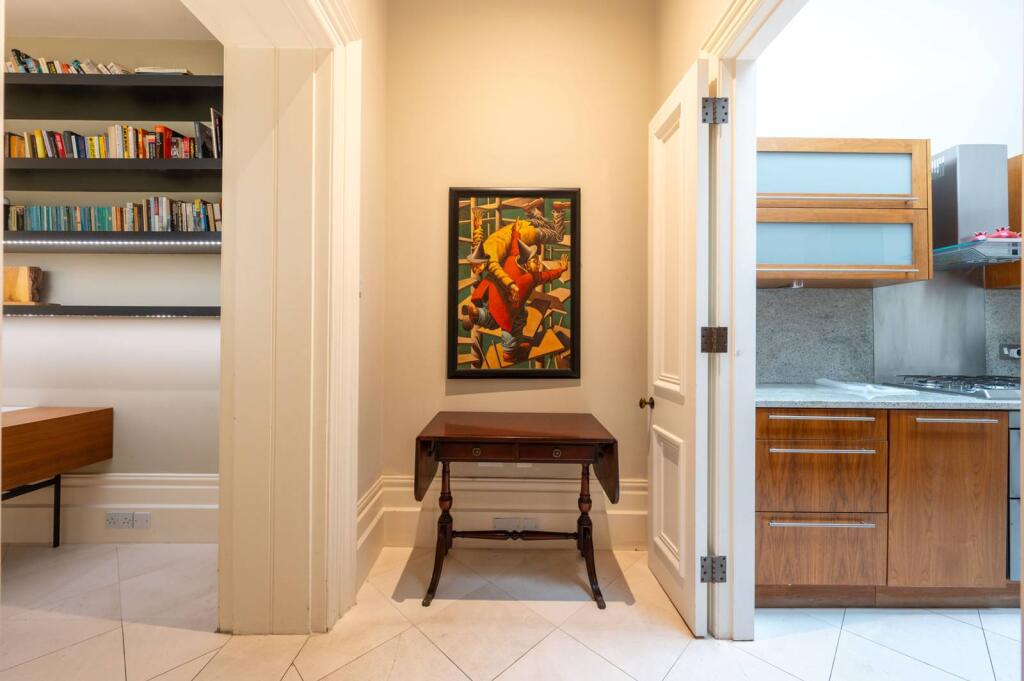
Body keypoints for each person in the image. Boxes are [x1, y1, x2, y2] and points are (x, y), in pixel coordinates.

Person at [463, 225, 568, 364]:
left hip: (490, 294)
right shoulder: (530, 278)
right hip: (506, 305)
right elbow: (544, 276)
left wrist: (516, 232)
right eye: (535, 261)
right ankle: (510, 352)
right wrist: (561, 270)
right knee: (516, 321)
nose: (539, 264)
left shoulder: (512, 258)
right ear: (526, 263)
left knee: (492, 313)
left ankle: (477, 314)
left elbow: (514, 247)